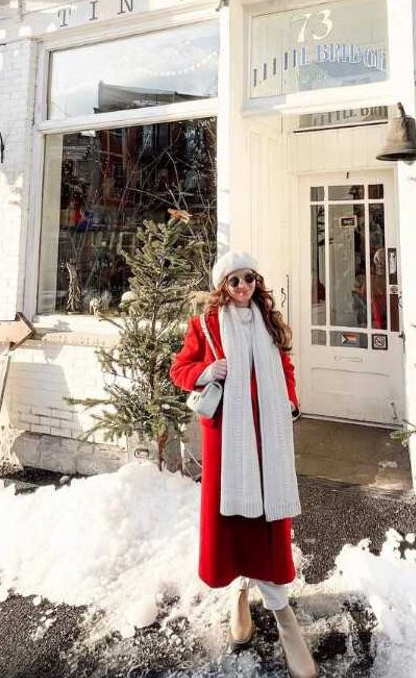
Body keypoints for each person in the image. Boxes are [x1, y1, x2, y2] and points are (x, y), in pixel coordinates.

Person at [170, 250, 317, 678]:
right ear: (222, 286)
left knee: (269, 521)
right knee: (234, 522)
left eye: (249, 278)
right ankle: (238, 592)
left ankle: (283, 615)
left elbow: (284, 364)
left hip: (268, 438)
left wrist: (289, 399)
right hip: (228, 441)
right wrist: (205, 369)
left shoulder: (268, 320)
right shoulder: (206, 325)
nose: (243, 287)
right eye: (234, 281)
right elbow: (179, 370)